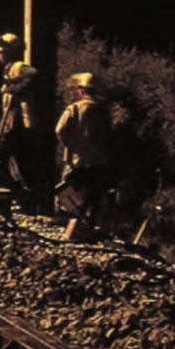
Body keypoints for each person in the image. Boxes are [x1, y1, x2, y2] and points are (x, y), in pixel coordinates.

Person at [0, 32, 45, 213]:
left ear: (10, 51)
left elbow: (33, 74)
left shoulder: (19, 67)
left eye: (1, 52)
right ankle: (26, 202)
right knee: (21, 165)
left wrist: (13, 87)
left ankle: (20, 196)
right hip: (14, 125)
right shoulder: (9, 68)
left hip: (18, 126)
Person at [55, 72, 110, 240]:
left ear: (81, 90)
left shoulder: (74, 109)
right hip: (98, 161)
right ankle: (89, 229)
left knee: (68, 193)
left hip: (77, 160)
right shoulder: (102, 111)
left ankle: (72, 228)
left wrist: (68, 144)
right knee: (94, 196)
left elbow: (59, 129)